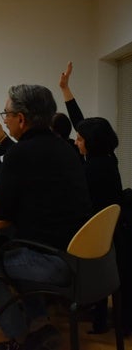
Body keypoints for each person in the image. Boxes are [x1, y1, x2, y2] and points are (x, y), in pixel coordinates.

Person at [0, 84, 92, 350]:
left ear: (21, 119)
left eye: (6, 114)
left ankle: (22, 338)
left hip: (51, 260)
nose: (4, 120)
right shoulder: (66, 149)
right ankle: (40, 325)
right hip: (81, 258)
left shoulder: (21, 154)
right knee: (13, 245)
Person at [59, 61, 125, 334]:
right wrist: (66, 90)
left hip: (95, 236)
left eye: (79, 139)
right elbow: (81, 124)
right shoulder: (106, 157)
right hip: (108, 233)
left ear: (90, 142)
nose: (76, 141)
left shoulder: (94, 167)